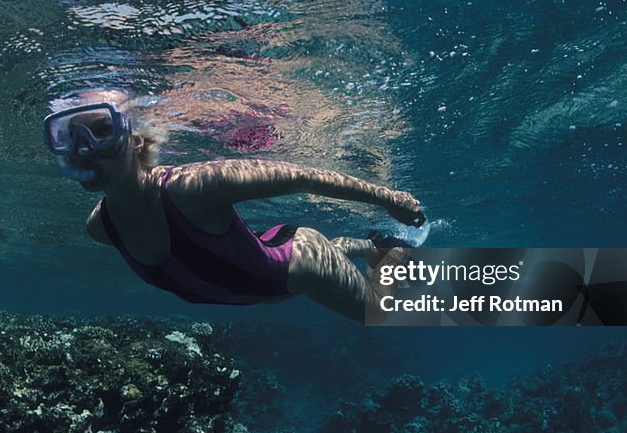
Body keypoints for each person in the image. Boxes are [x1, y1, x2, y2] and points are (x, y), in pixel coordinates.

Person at [44, 102, 426, 321]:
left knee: (376, 312)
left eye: (100, 130)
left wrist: (387, 197)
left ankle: (393, 253)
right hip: (270, 254)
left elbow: (304, 177)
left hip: (305, 267)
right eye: (70, 138)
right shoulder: (100, 227)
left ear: (136, 139)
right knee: (299, 251)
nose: (86, 149)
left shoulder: (190, 188)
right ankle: (363, 244)